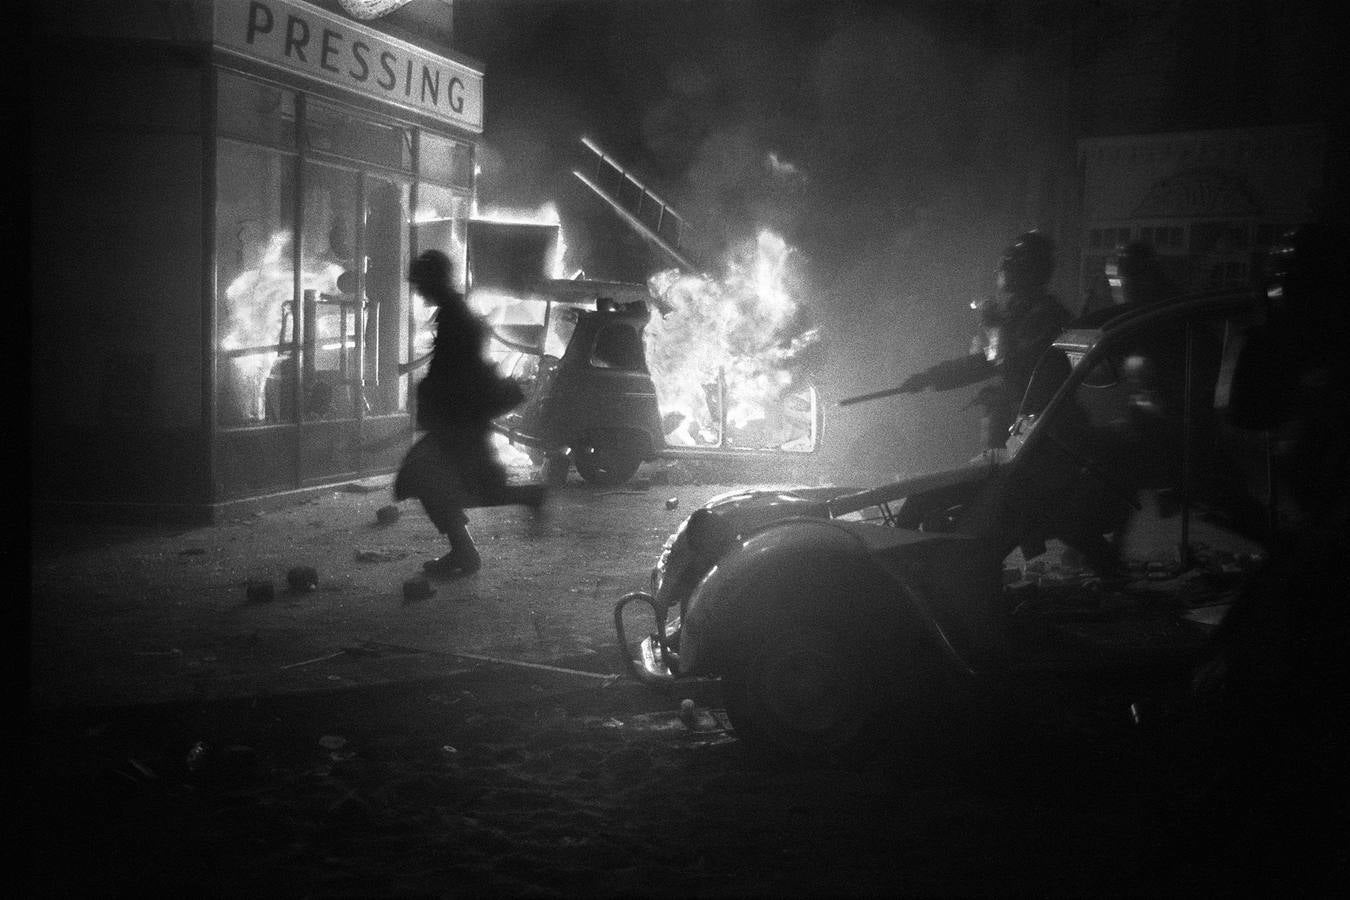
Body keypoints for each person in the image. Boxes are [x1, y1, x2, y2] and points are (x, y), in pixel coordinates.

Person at [394, 250, 545, 578]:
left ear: (435, 281)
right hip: (459, 419)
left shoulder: (454, 317)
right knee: (440, 480)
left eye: (421, 283)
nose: (418, 291)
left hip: (460, 420)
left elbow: (457, 372)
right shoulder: (453, 313)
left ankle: (526, 500)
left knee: (434, 479)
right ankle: (464, 550)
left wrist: (436, 403)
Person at [897, 231, 1071, 449]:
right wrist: (930, 377)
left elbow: (1008, 365)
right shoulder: (1024, 312)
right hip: (1027, 432)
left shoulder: (1045, 317)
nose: (999, 271)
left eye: (1006, 265)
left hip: (1040, 438)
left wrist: (996, 328)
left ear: (1022, 270)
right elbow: (986, 362)